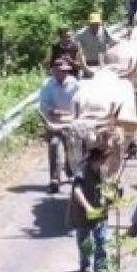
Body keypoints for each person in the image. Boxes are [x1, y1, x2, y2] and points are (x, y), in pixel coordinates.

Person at [39, 59, 80, 193]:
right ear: (54, 71)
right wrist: (56, 112)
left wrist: (75, 115)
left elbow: (80, 100)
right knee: (54, 145)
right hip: (55, 122)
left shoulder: (74, 83)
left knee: (72, 148)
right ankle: (54, 179)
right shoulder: (47, 85)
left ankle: (70, 169)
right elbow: (44, 105)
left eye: (66, 71)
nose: (64, 73)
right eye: (61, 71)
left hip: (72, 122)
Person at [70, 147, 111, 272]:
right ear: (95, 159)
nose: (105, 162)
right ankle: (85, 263)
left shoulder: (103, 170)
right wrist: (87, 207)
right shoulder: (82, 171)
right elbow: (77, 191)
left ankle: (100, 270)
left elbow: (106, 187)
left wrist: (112, 195)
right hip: (83, 213)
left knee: (101, 241)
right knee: (85, 242)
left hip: (100, 212)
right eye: (103, 159)